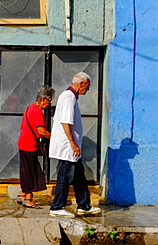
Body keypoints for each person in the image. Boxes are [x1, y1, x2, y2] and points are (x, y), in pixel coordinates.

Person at [47, 72, 99, 218]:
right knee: (64, 176)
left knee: (78, 176)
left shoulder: (71, 97)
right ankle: (57, 206)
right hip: (67, 148)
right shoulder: (68, 97)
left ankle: (84, 205)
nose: (87, 90)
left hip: (71, 148)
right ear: (81, 83)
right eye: (87, 86)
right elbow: (65, 122)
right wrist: (73, 143)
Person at [16, 86, 53, 209]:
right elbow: (41, 131)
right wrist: (53, 137)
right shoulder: (37, 111)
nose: (48, 105)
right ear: (43, 99)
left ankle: (22, 194)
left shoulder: (29, 108)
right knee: (31, 171)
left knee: (25, 170)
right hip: (29, 144)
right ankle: (28, 198)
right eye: (49, 101)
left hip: (22, 142)